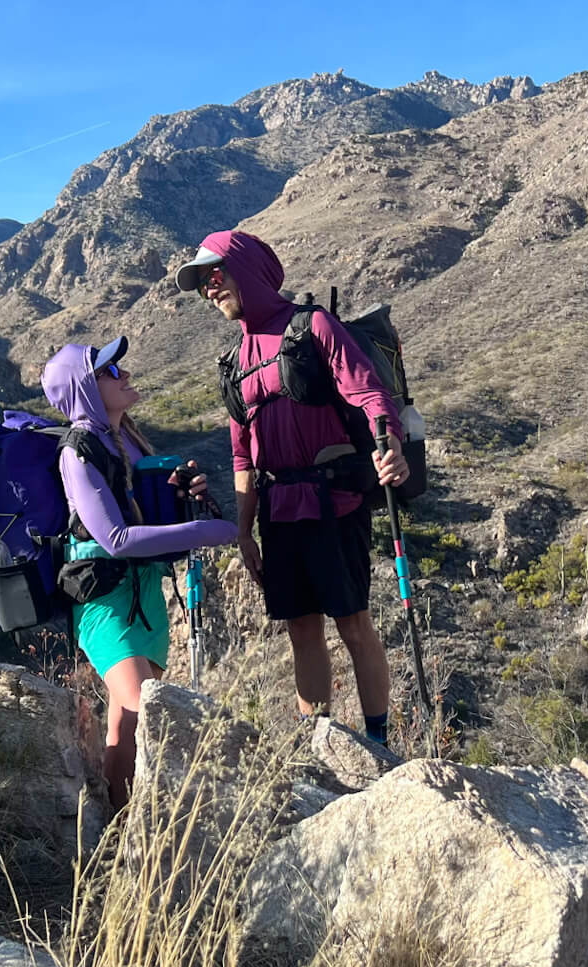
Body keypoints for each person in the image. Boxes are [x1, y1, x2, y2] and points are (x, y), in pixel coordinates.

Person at [173, 231, 410, 743]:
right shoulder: (234, 362)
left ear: (246, 269)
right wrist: (242, 532)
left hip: (335, 503)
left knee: (353, 624)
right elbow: (242, 454)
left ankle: (378, 743)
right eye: (202, 286)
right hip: (277, 514)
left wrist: (387, 442)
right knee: (301, 629)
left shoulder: (312, 327)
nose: (210, 291)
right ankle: (317, 744)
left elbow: (367, 390)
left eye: (215, 276)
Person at [42, 336, 237, 808]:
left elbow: (142, 517)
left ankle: (117, 831)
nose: (125, 374)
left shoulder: (125, 438)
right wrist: (205, 531)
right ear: (85, 387)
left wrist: (179, 495)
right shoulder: (79, 452)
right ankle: (123, 834)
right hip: (106, 602)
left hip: (143, 595)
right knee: (138, 711)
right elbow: (116, 539)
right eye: (111, 371)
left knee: (125, 724)